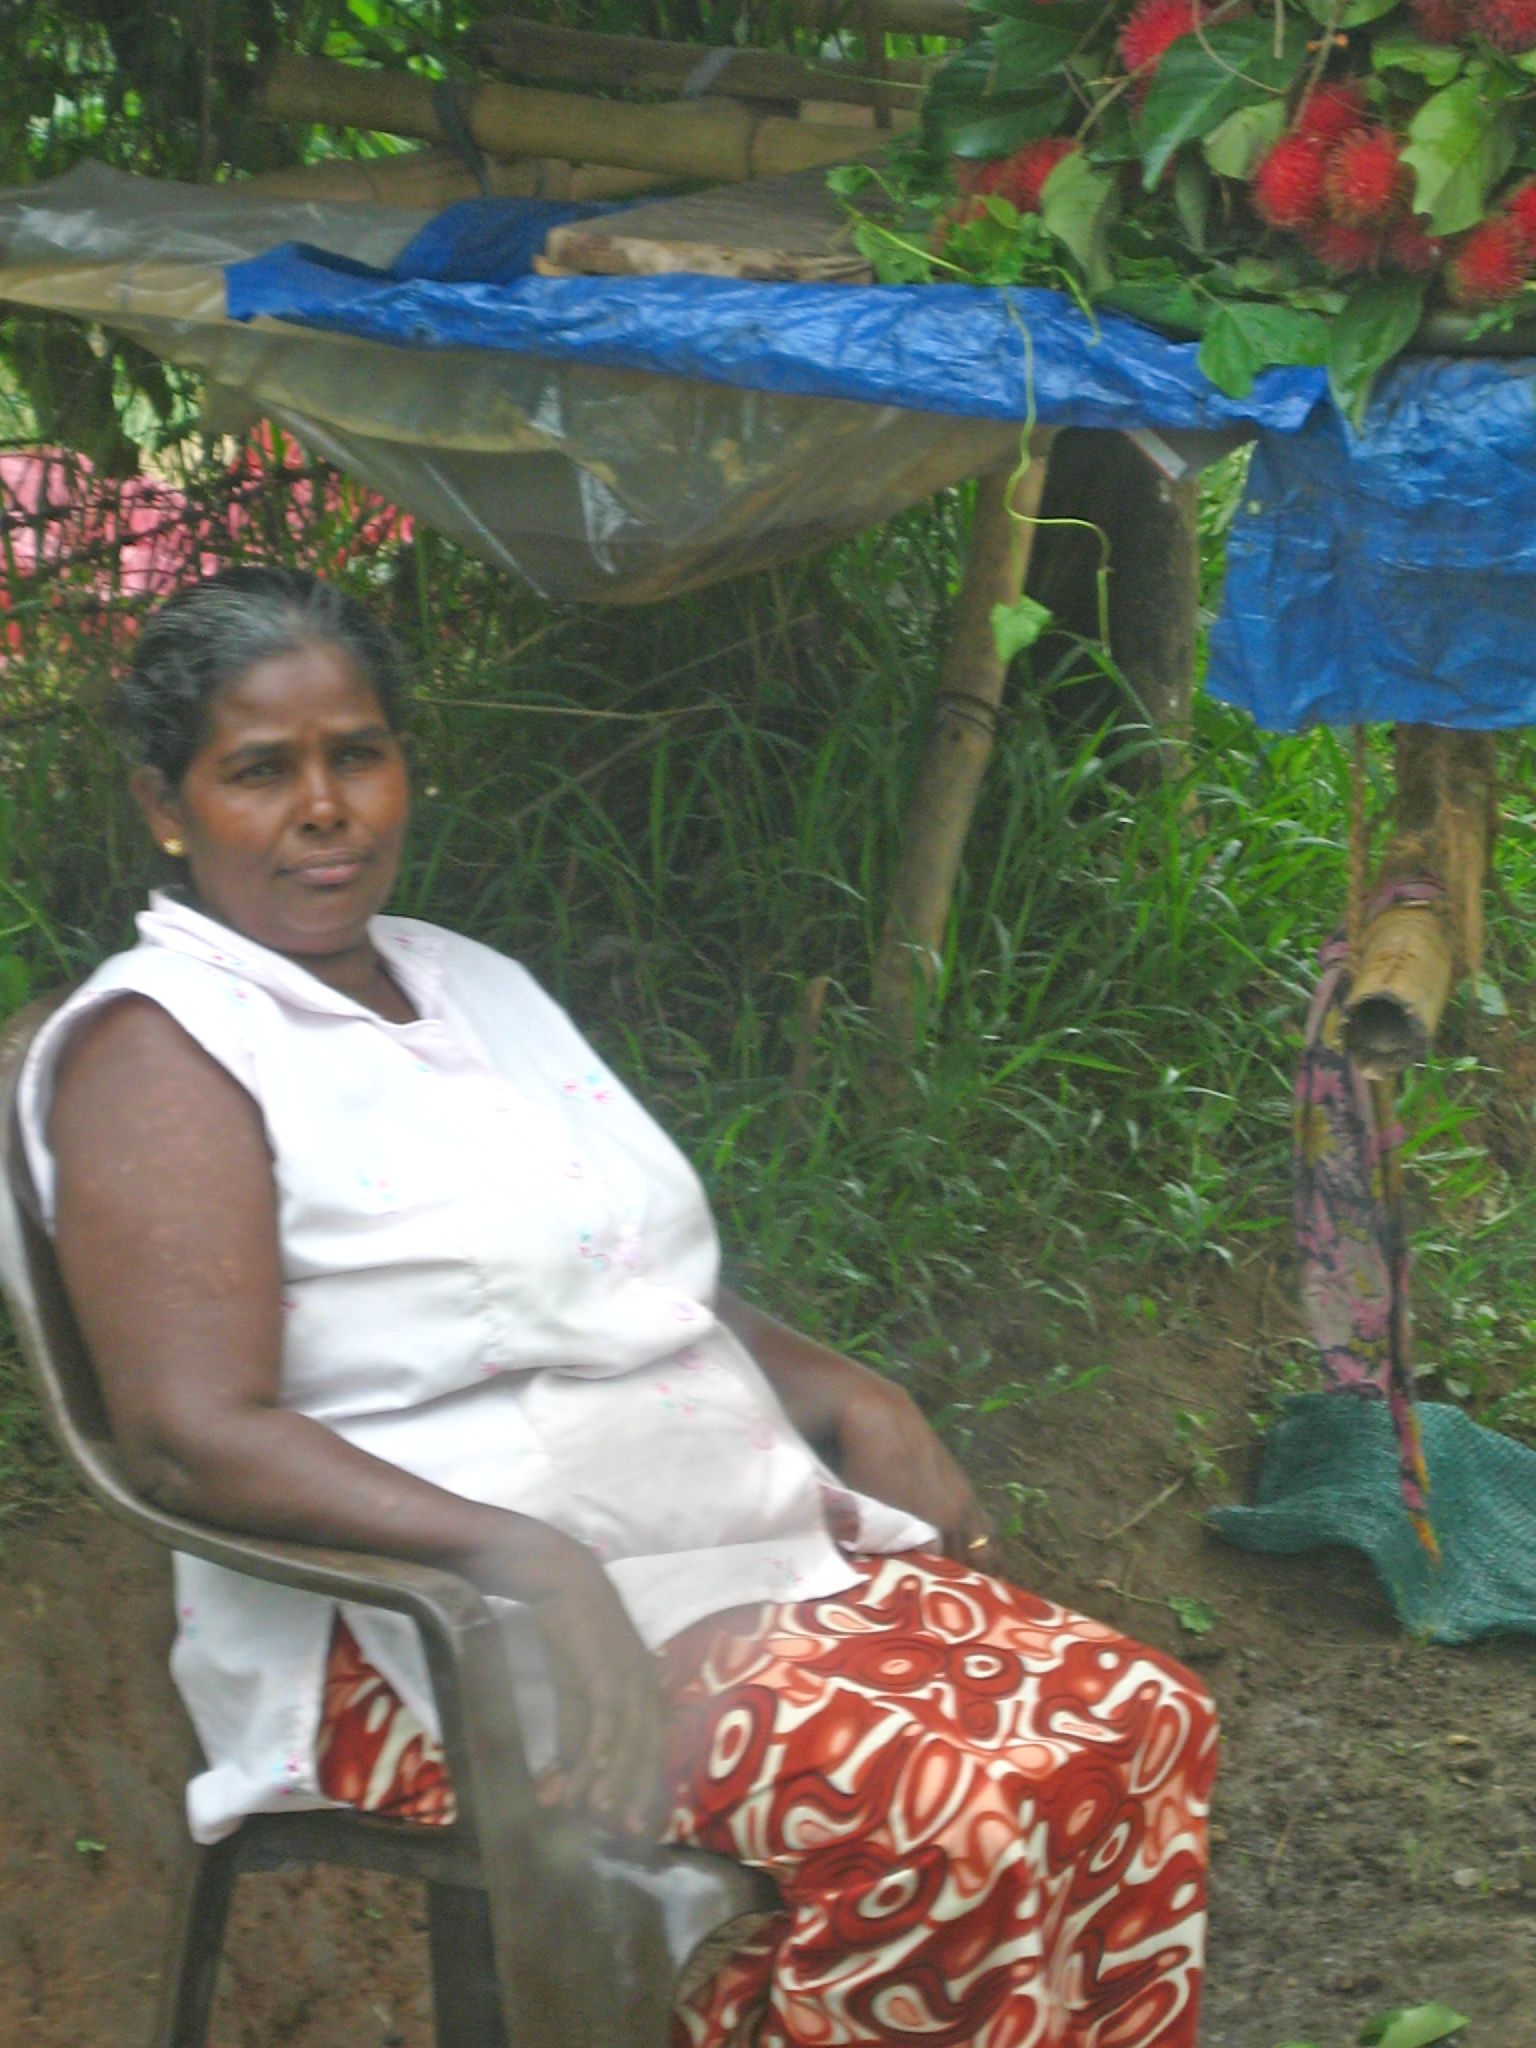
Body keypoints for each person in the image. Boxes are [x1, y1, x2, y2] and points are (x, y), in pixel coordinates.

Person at [20, 566, 1217, 2047]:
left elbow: (625, 1274)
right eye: (260, 771)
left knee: (1144, 1719)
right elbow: (189, 1432)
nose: (323, 807)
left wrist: (854, 1391)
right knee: (951, 1816)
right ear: (167, 806)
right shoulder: (166, 1050)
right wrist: (521, 1558)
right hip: (432, 1648)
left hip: (717, 1550)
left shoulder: (465, 984)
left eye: (358, 754)